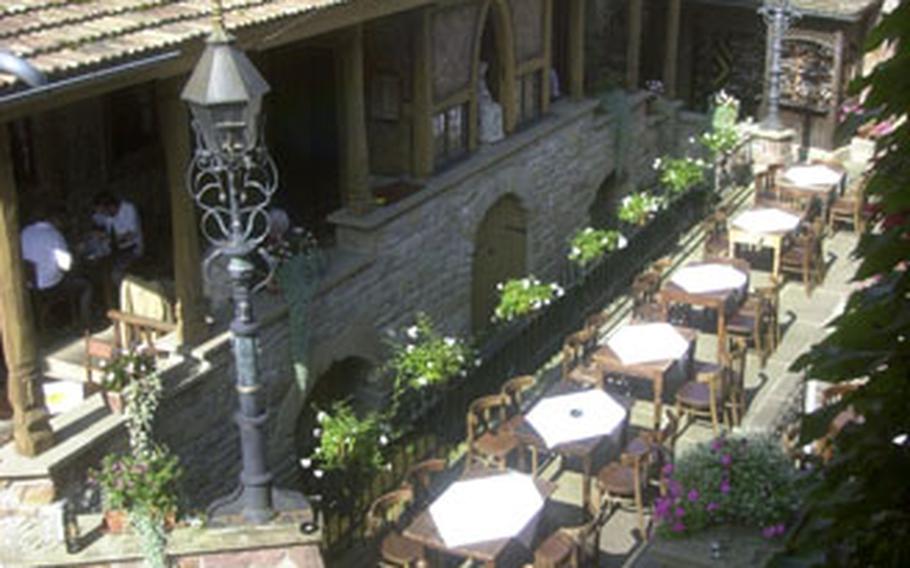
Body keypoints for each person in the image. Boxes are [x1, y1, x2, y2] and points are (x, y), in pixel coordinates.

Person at [20, 207, 93, 328]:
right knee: (86, 286)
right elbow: (66, 265)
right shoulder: (53, 234)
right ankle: (86, 323)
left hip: (30, 284)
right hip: (51, 286)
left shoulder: (24, 232)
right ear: (55, 220)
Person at [92, 192, 143, 286]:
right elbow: (98, 222)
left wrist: (110, 238)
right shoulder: (108, 216)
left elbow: (131, 234)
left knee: (116, 275)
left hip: (132, 248)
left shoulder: (128, 209)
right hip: (116, 249)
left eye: (103, 211)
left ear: (111, 206)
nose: (103, 214)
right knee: (98, 266)